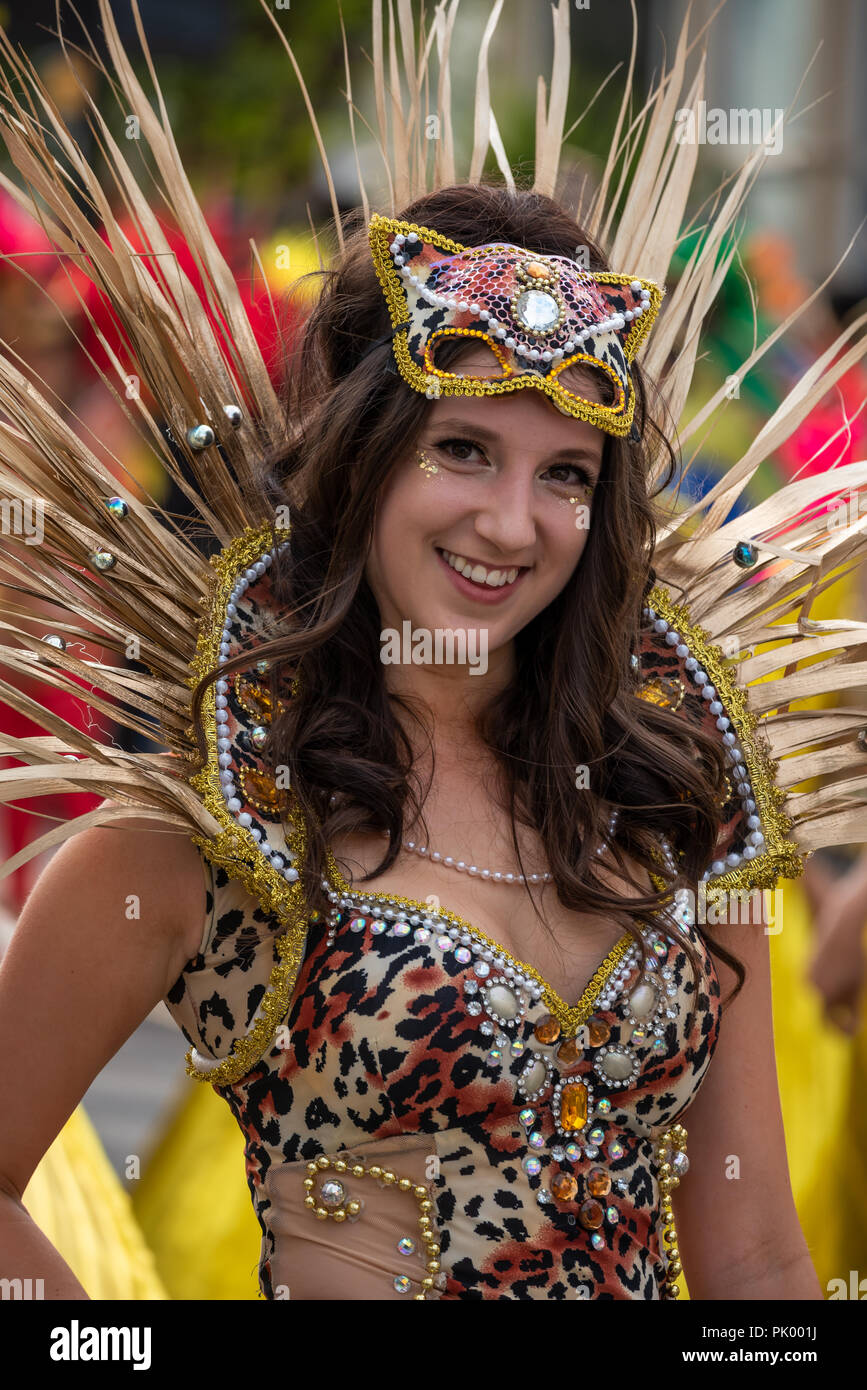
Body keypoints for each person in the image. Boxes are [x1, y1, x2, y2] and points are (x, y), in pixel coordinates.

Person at [1, 0, 865, 1302]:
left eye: (565, 473)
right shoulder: (218, 817)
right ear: (363, 459)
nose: (512, 524)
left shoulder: (671, 792)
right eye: (463, 449)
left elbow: (751, 1251)